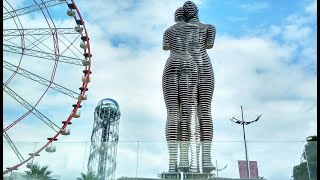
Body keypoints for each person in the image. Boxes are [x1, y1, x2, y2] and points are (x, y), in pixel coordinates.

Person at [162, 7, 200, 172]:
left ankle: (172, 163)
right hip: (189, 62)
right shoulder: (194, 29)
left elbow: (165, 47)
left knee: (172, 112)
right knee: (188, 111)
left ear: (175, 17)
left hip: (172, 62)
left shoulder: (168, 31)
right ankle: (185, 159)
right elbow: (197, 46)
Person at [183, 0, 216, 173]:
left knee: (191, 111)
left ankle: (201, 159)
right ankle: (203, 159)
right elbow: (208, 45)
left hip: (191, 66)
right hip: (201, 65)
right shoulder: (209, 28)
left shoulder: (181, 30)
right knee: (201, 111)